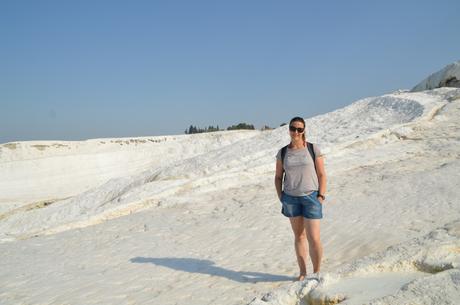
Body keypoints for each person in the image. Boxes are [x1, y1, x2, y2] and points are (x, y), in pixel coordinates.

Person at [274, 116, 327, 281]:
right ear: (289, 129)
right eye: (293, 128)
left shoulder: (312, 149)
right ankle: (303, 273)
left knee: (314, 237)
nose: (295, 132)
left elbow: (322, 174)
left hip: (311, 198)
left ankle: (317, 273)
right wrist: (281, 197)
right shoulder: (283, 152)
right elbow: (277, 177)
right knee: (299, 236)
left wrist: (321, 196)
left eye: (299, 129)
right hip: (291, 199)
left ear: (304, 131)